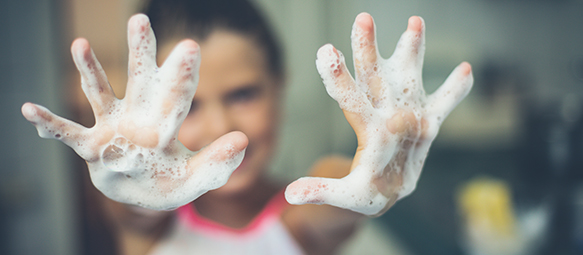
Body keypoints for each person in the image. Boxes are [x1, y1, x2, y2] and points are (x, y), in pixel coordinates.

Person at [20, 0, 474, 254]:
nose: (221, 126)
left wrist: (369, 179)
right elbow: (129, 212)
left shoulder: (300, 218)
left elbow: (337, 194)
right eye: (189, 105)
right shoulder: (152, 224)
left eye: (243, 94)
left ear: (280, 87)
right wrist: (127, 173)